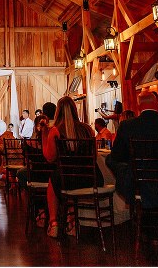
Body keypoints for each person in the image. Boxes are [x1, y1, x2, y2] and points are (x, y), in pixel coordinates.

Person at [40, 96, 101, 238]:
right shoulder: (88, 129)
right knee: (65, 182)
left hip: (67, 179)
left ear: (58, 112)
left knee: (53, 181)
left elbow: (49, 157)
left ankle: (54, 223)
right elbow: (95, 156)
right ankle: (72, 220)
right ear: (75, 110)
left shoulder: (56, 130)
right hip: (92, 178)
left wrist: (44, 134)